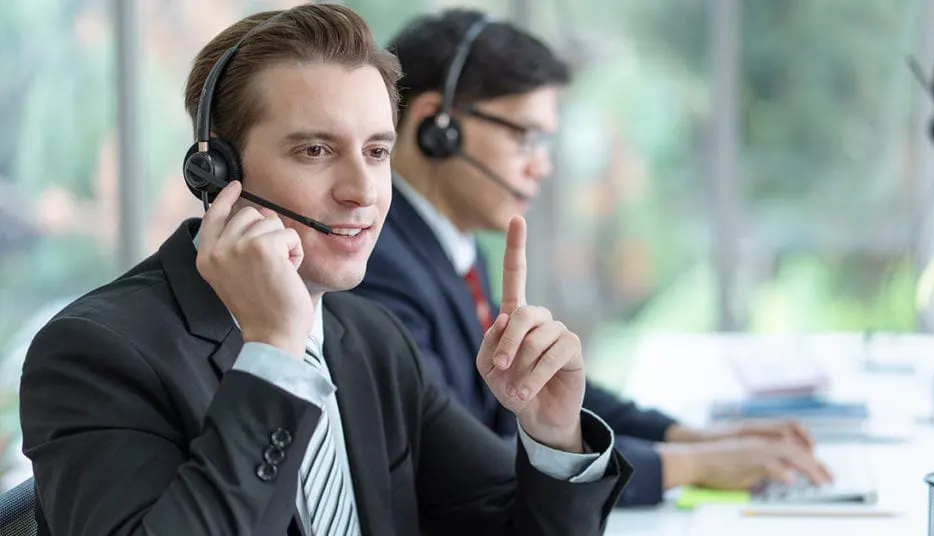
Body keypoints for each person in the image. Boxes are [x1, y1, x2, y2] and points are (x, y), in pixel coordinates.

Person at [18, 5, 632, 536]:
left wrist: (552, 437)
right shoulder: (95, 352)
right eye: (315, 150)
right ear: (216, 172)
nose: (363, 191)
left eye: (377, 151)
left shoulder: (368, 338)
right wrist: (274, 360)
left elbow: (506, 523)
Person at [351, 8, 833, 507]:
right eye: (526, 137)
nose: (543, 165)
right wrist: (695, 465)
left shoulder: (447, 243)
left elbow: (541, 390)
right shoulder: (376, 267)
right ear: (438, 126)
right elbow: (465, 458)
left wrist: (694, 438)